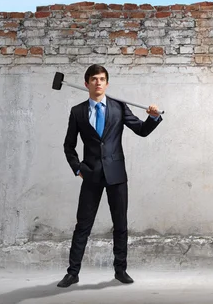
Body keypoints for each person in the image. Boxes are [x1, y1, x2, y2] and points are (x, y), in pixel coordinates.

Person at [57, 64, 162, 288]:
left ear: (107, 83)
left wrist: (153, 118)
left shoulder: (119, 107)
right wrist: (78, 169)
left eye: (102, 79)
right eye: (94, 79)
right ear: (86, 83)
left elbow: (141, 130)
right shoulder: (77, 112)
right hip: (91, 175)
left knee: (120, 224)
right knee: (82, 225)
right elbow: (68, 146)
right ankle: (72, 273)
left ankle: (120, 270)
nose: (98, 82)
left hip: (116, 175)